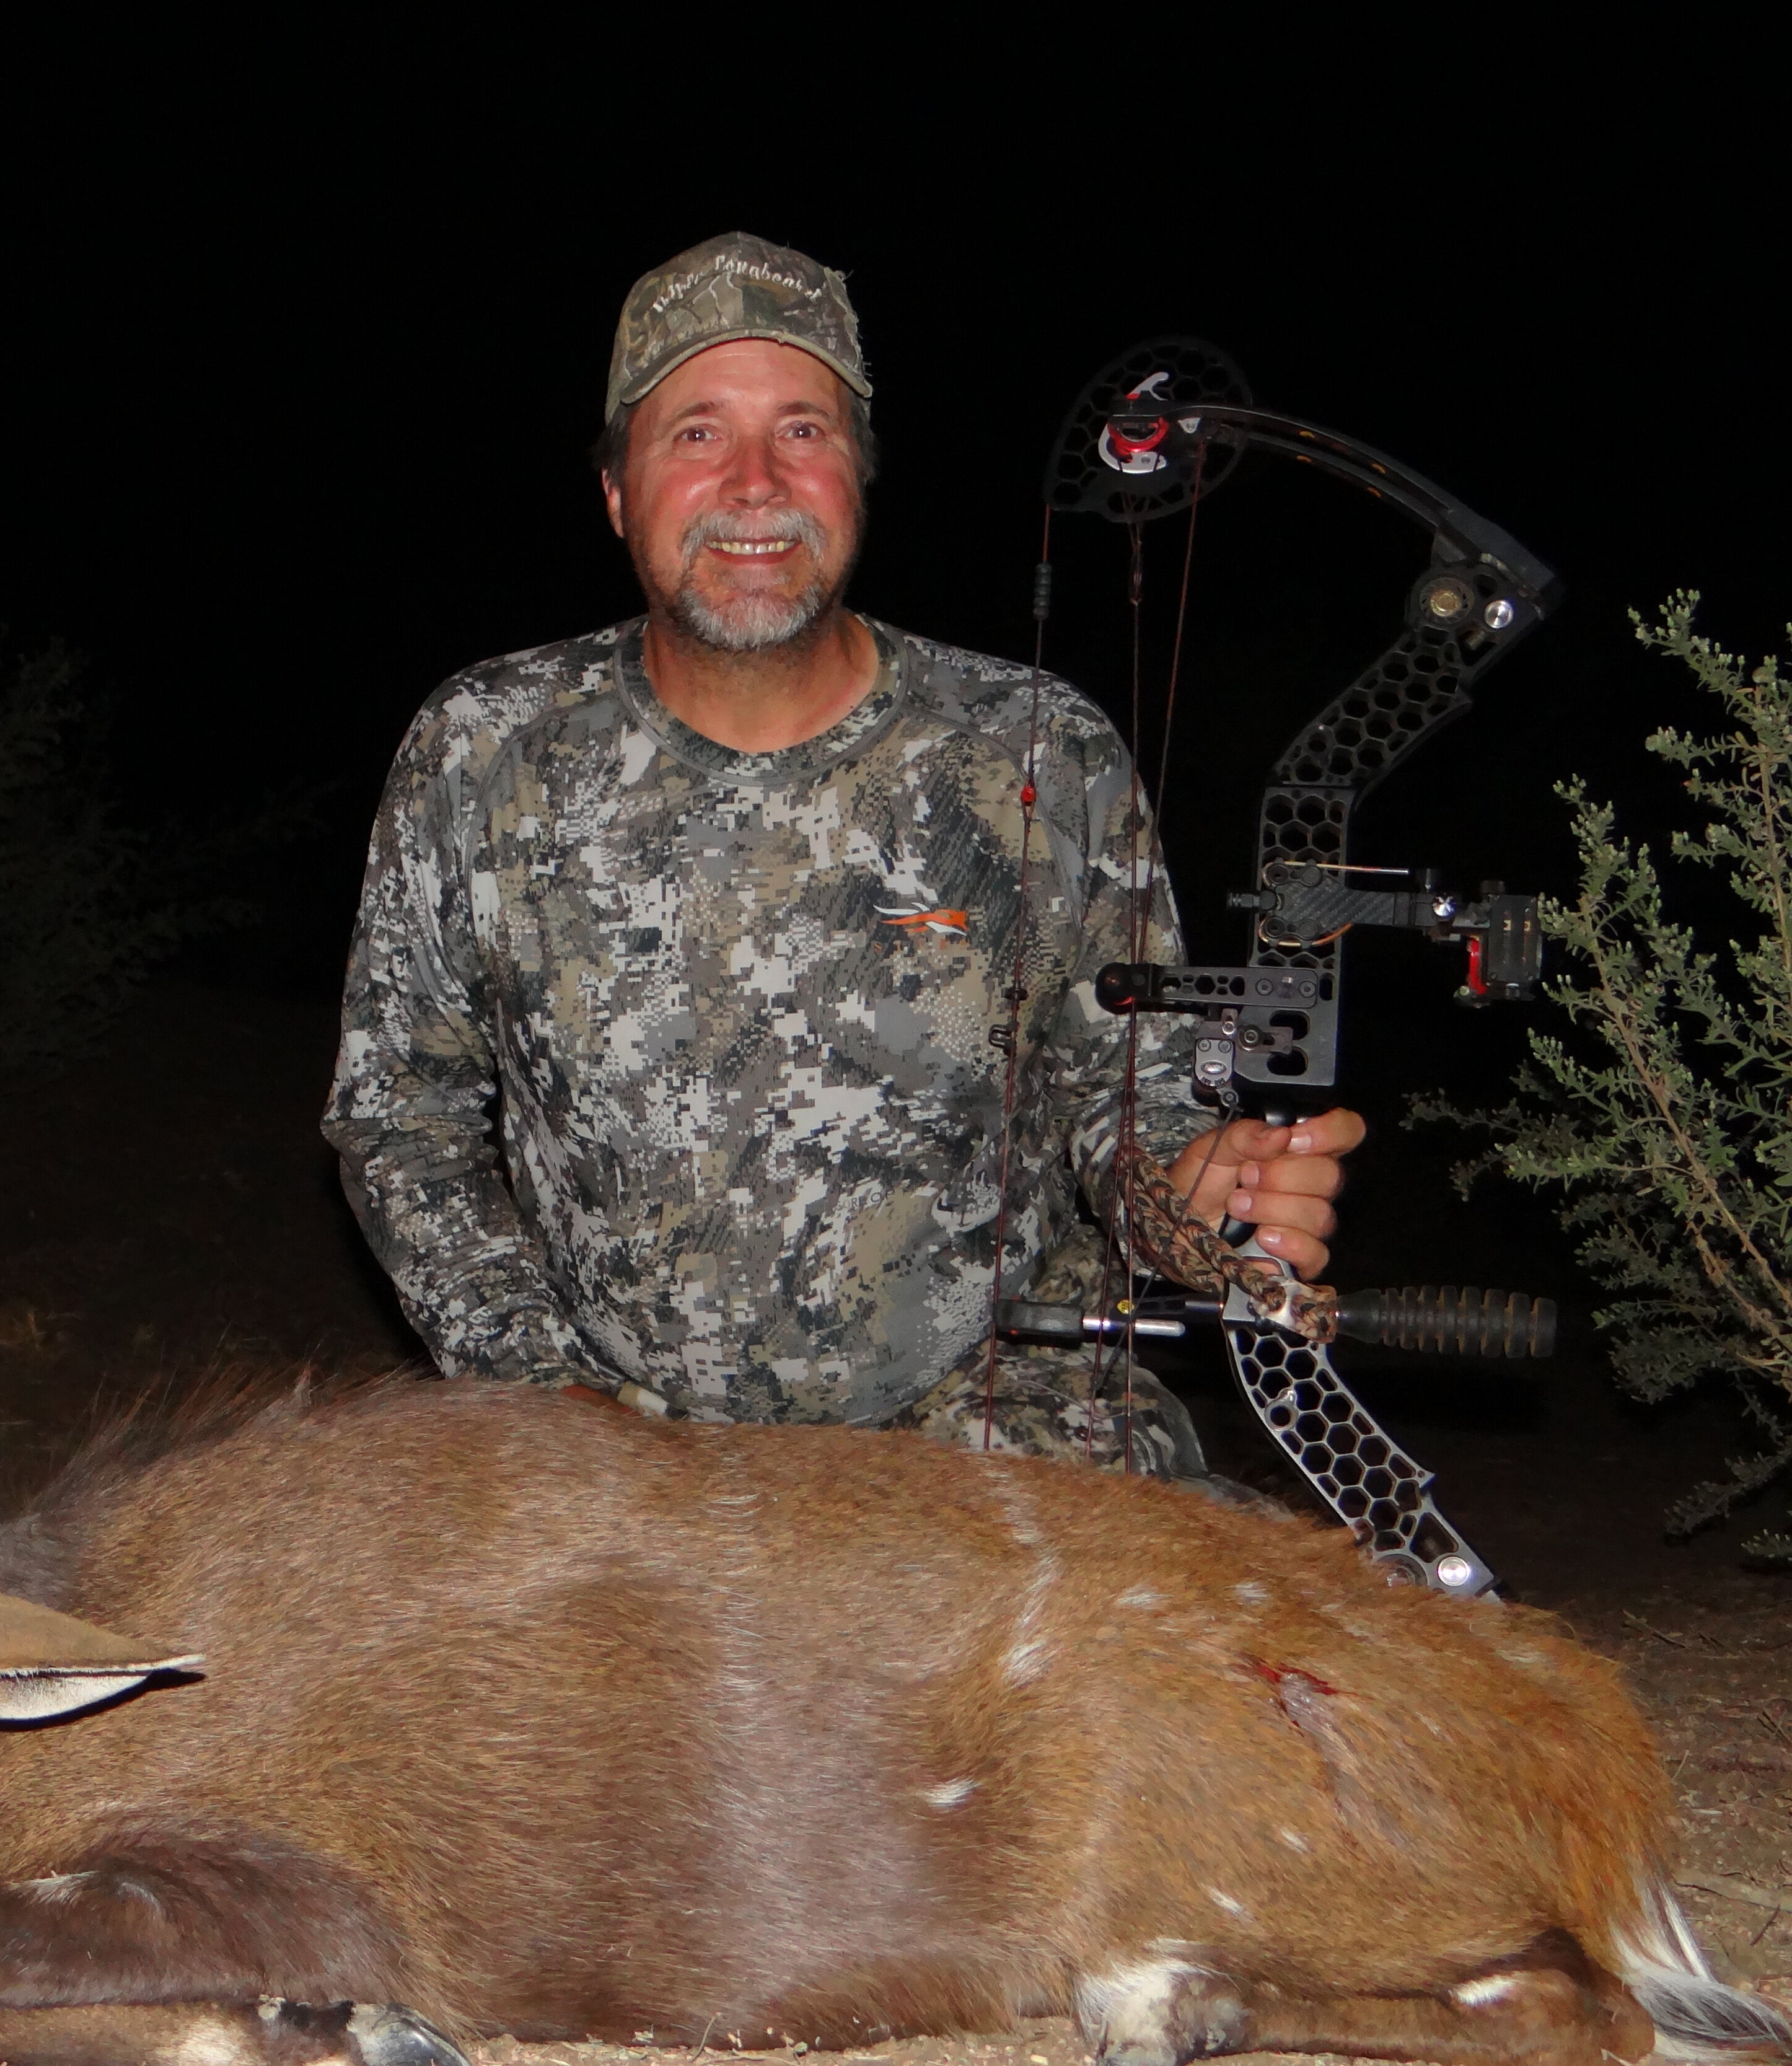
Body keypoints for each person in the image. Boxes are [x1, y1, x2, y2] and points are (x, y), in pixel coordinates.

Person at [323, 232, 1361, 1477]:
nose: (756, 482)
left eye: (804, 431)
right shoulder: (480, 749)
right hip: (611, 1454)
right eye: (697, 433)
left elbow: (1127, 1101)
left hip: (990, 1445)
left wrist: (1203, 1196)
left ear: (860, 477)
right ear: (616, 490)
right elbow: (401, 1114)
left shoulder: (1043, 754)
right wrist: (544, 1399)